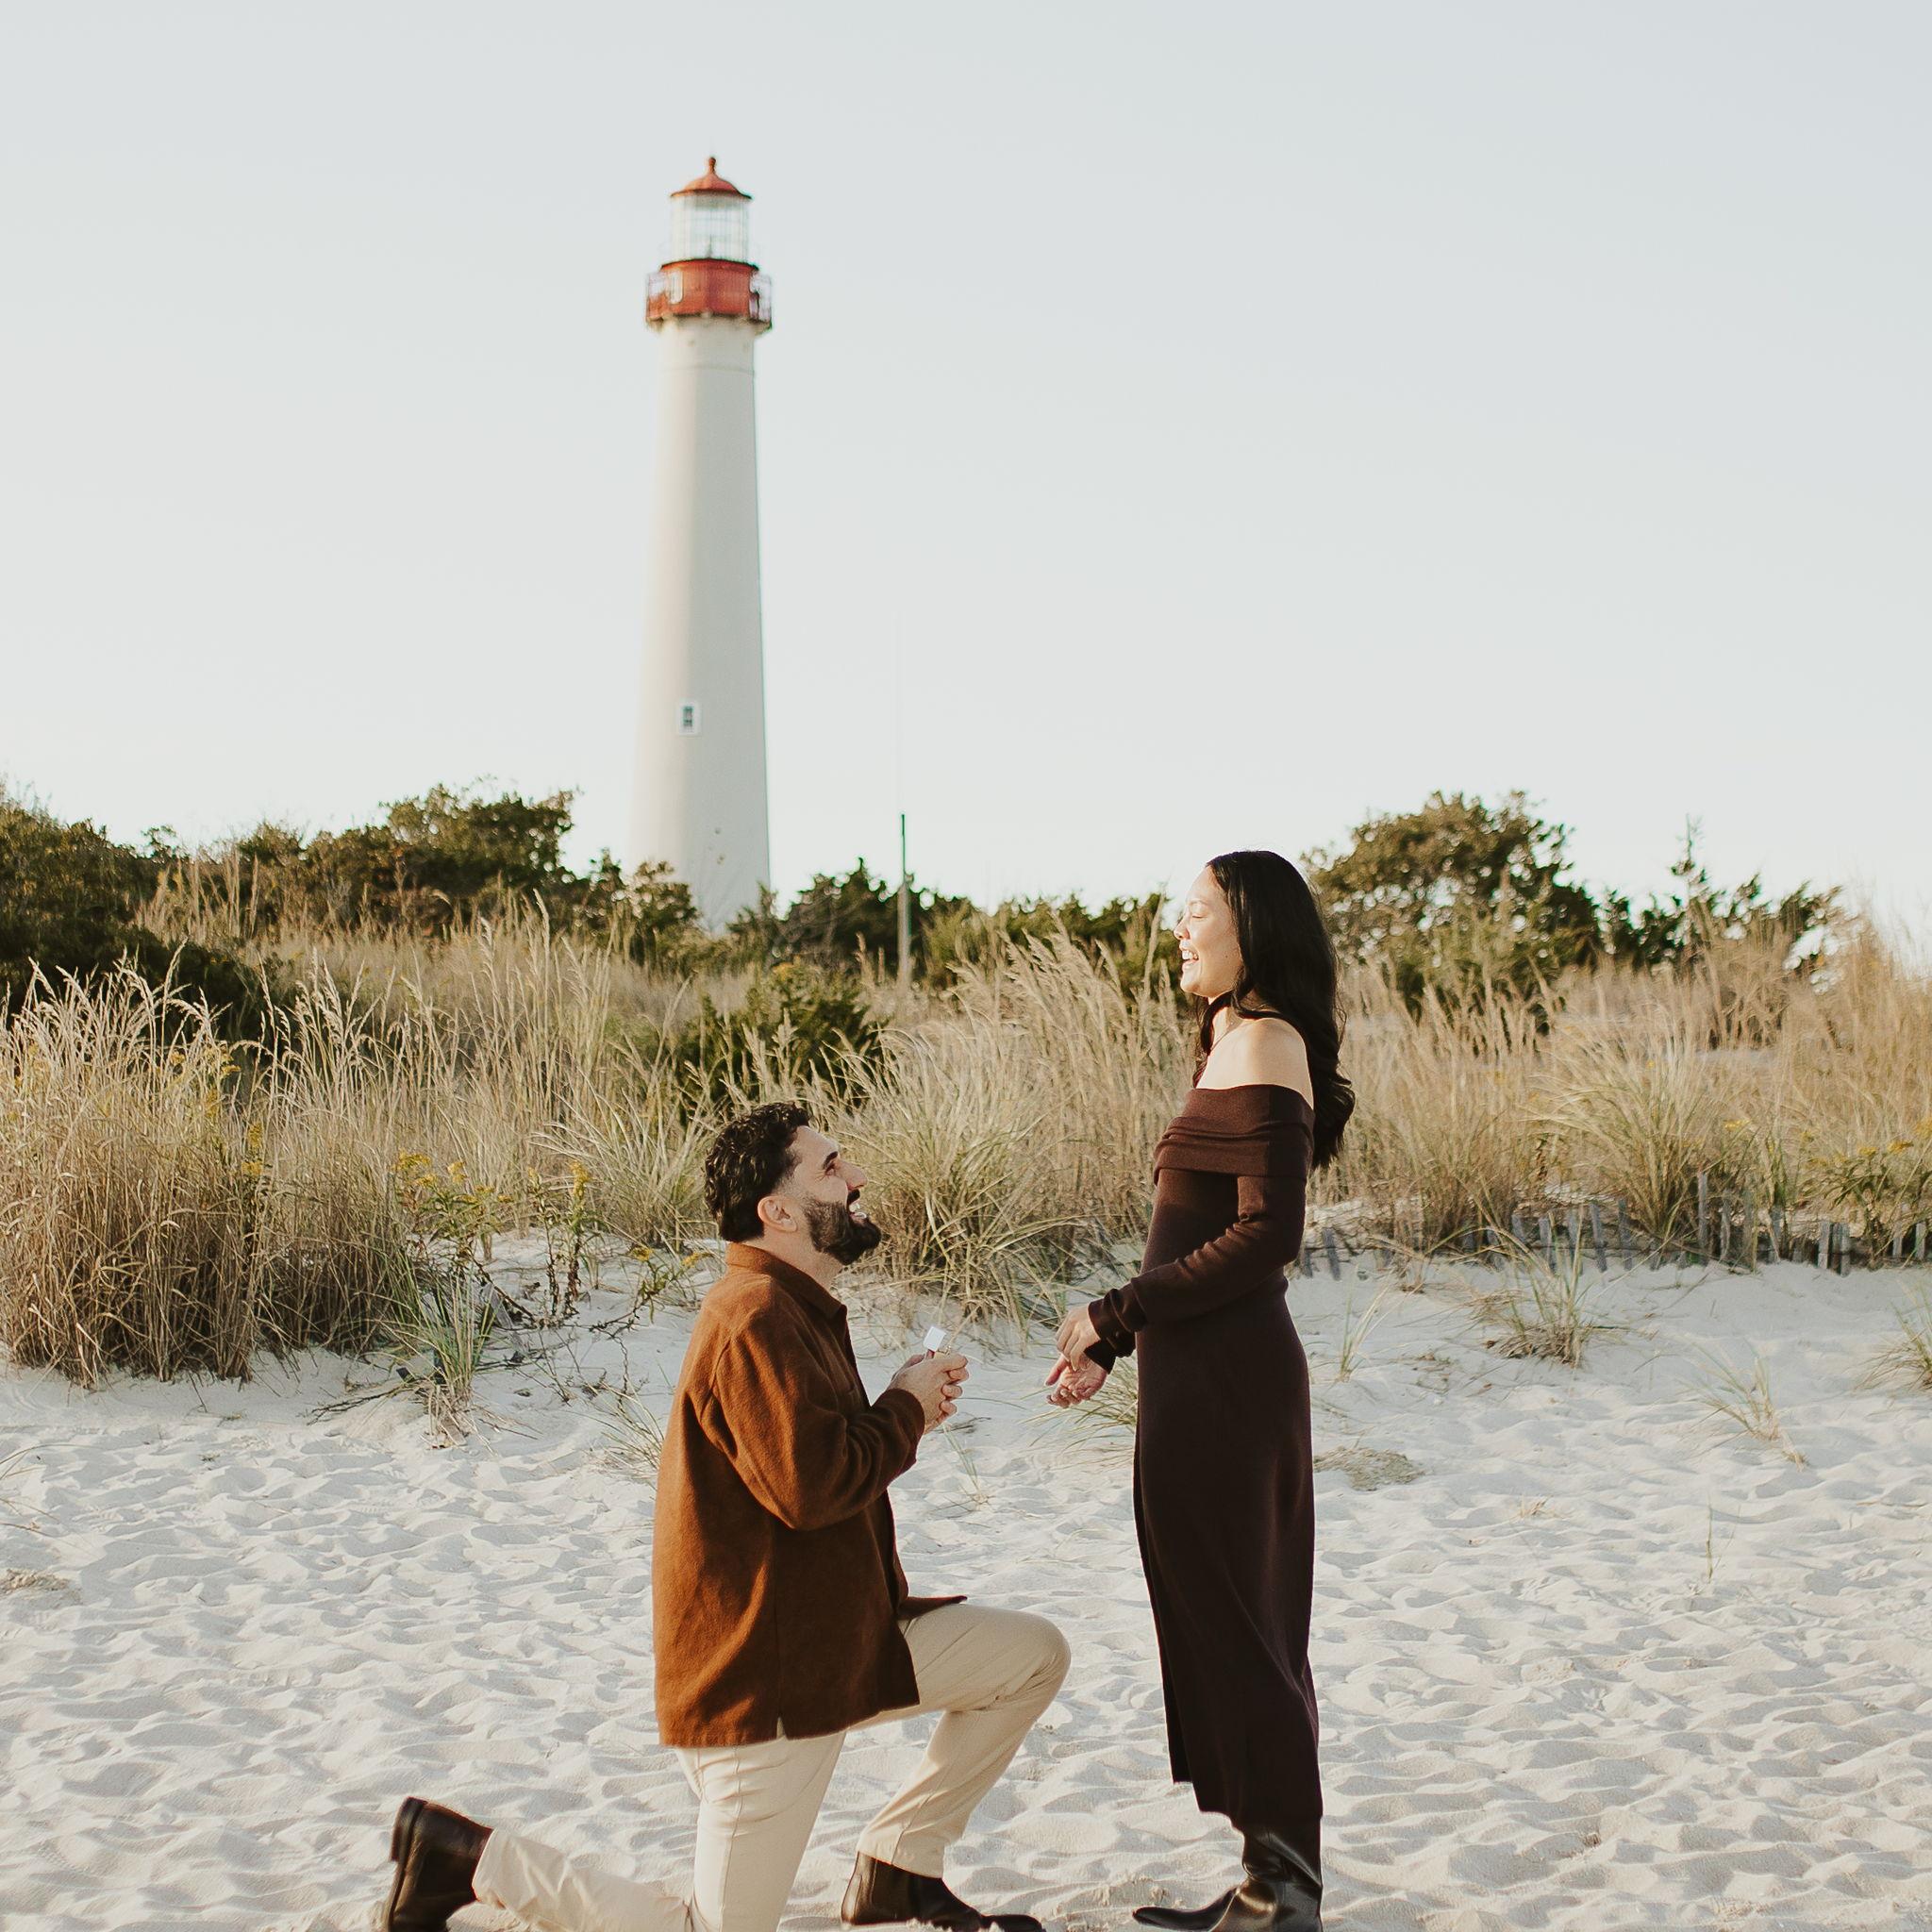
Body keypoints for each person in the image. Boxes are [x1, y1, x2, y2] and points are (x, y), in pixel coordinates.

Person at [380, 1100, 1070, 1932]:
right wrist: (905, 1410)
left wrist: (901, 1403)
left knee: (1030, 1656)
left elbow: (809, 1464)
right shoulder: (753, 1317)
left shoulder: (793, 1306)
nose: (855, 1178)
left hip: (842, 1645)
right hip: (767, 1684)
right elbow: (810, 1489)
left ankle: (898, 1869)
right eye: (830, 1168)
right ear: (778, 1213)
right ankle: (464, 1859)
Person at [1047, 852, 1354, 1932]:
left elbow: (1266, 1235)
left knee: (1242, 1624)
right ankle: (1266, 1873)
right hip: (1194, 1375)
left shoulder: (1266, 1038)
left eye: (1196, 913)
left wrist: (1116, 1309)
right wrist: (1119, 1341)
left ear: (1251, 926)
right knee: (1221, 1618)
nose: (1179, 930)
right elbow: (1196, 1229)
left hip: (1229, 1386)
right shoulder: (1228, 1036)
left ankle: (1286, 1888)